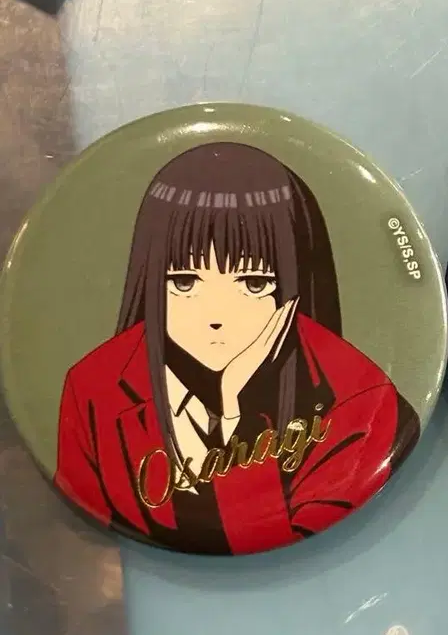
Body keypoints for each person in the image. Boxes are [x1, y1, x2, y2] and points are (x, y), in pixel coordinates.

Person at [55, 142, 419, 555]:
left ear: (296, 285)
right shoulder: (93, 388)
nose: (216, 316)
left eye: (253, 284)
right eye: (185, 282)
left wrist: (237, 411)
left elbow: (285, 544)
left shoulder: (359, 399)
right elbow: (84, 537)